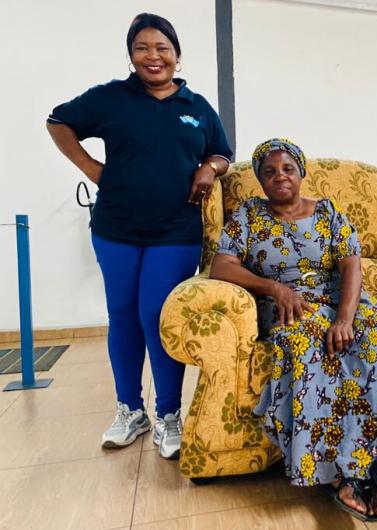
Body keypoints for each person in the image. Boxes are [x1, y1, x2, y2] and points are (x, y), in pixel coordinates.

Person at [46, 13, 232, 459]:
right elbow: (58, 122)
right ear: (131, 56)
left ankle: (168, 414)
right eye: (142, 48)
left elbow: (223, 151)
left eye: (162, 48)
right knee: (124, 315)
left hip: (175, 230)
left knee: (157, 315)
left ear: (177, 55)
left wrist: (210, 167)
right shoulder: (111, 98)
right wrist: (92, 169)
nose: (153, 56)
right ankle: (130, 410)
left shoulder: (196, 106)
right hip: (117, 229)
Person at [210, 138, 377, 521]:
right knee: (307, 342)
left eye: (288, 169)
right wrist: (274, 288)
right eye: (270, 172)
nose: (280, 177)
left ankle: (361, 467)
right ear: (260, 180)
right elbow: (220, 267)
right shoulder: (248, 215)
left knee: (370, 337)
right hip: (289, 303)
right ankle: (335, 473)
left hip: (339, 298)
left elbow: (351, 264)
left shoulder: (328, 212)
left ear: (301, 173)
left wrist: (344, 318)